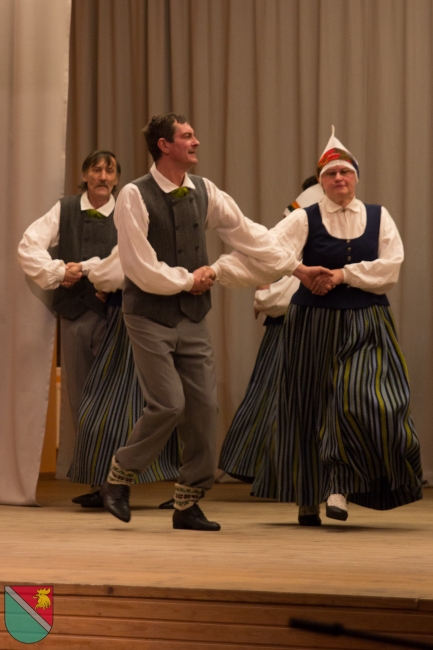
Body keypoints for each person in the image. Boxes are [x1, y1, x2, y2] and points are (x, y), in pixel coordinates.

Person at [101, 112, 322, 531]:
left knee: (204, 409)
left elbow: (249, 234)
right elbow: (139, 267)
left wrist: (296, 268)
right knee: (169, 403)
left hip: (192, 316)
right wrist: (189, 280)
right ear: (164, 145)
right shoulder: (134, 194)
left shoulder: (205, 190)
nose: (196, 141)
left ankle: (187, 502)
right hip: (148, 315)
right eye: (187, 136)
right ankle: (120, 475)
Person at [208, 127, 422, 525]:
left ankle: (339, 485)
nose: (339, 179)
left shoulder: (378, 217)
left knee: (363, 399)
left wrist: (342, 275)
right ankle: (307, 495)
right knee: (307, 404)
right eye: (331, 174)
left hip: (366, 320)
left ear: (356, 176)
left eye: (345, 172)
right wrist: (218, 271)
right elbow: (266, 253)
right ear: (320, 182)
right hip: (313, 322)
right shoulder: (304, 218)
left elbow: (390, 267)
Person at [18, 151, 121, 465]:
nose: (102, 177)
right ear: (85, 174)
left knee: (115, 396)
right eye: (96, 170)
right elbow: (28, 245)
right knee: (80, 396)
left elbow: (136, 258)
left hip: (118, 315)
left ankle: (114, 473)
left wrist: (98, 273)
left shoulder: (127, 212)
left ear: (116, 179)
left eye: (109, 171)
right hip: (76, 315)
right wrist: (58, 271)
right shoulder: (65, 209)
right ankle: (92, 472)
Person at [219, 180, 324, 485]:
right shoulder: (299, 234)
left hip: (303, 328)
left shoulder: (320, 245)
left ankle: (285, 469)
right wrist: (265, 293)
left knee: (286, 400)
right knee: (274, 399)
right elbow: (276, 286)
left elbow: (279, 297)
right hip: (286, 331)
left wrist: (264, 296)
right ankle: (270, 467)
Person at [68, 246, 181, 509]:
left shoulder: (137, 240)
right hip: (131, 323)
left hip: (133, 322)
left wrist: (102, 285)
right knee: (113, 407)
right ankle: (105, 483)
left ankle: (117, 484)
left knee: (129, 407)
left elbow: (107, 275)